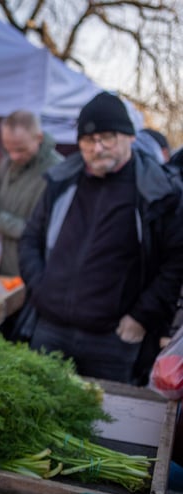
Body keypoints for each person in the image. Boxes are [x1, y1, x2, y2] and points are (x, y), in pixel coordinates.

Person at [18, 91, 183, 383]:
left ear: (129, 137)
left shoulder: (157, 192)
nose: (97, 148)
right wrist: (40, 289)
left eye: (107, 137)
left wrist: (141, 317)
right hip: (50, 329)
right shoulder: (62, 182)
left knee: (103, 423)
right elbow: (30, 239)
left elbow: (175, 262)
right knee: (38, 412)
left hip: (112, 341)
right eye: (88, 140)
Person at [0, 111, 63, 277]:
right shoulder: (6, 164)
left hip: (35, 274)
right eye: (8, 149)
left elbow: (50, 234)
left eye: (21, 149)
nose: (14, 156)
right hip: (2, 269)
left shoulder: (57, 173)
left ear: (39, 138)